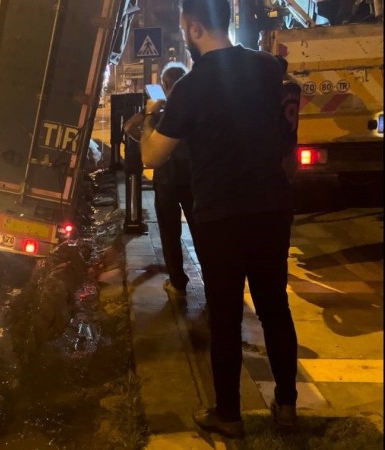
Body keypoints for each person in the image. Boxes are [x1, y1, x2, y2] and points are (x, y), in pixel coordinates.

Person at [138, 0, 299, 439]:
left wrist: (150, 118)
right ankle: (287, 406)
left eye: (184, 28)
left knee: (225, 314)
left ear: (193, 29)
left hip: (220, 215)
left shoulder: (190, 87)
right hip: (271, 206)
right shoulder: (267, 68)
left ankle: (229, 414)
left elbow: (153, 156)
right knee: (275, 307)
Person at [124, 62, 198, 299]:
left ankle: (177, 283)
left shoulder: (159, 113)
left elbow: (129, 127)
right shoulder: (194, 108)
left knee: (169, 233)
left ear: (165, 85)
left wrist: (149, 115)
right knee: (200, 233)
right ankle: (212, 283)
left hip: (167, 181)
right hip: (193, 180)